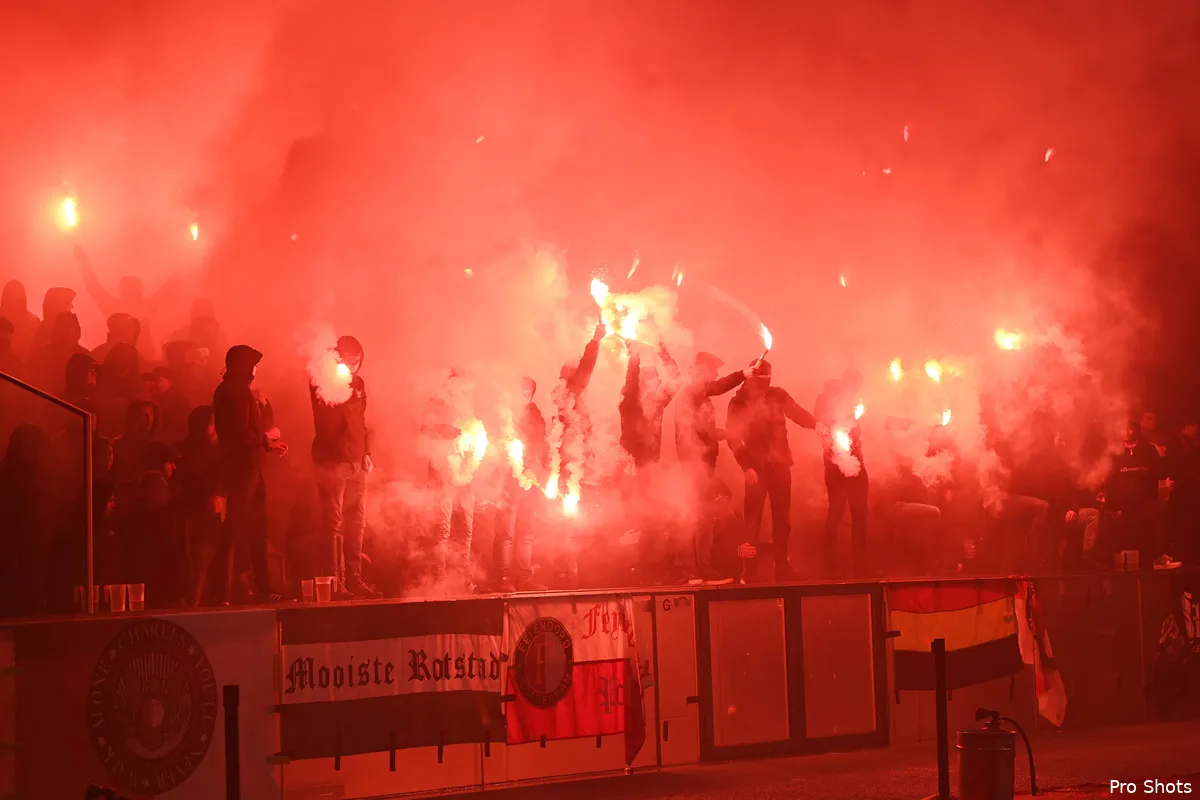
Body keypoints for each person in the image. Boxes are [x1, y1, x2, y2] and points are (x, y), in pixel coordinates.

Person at [726, 359, 817, 582]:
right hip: (755, 468)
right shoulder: (738, 403)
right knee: (753, 521)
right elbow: (733, 438)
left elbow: (797, 413)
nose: (766, 383)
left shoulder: (777, 395)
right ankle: (750, 570)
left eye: (768, 378)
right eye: (762, 378)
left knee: (782, 520)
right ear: (752, 378)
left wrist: (818, 424)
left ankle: (782, 567)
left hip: (781, 466)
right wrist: (746, 467)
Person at [213, 345, 288, 604]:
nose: (256, 371)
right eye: (253, 365)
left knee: (256, 529)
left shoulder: (233, 390)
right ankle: (225, 592)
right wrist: (265, 437)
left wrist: (266, 445)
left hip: (250, 468)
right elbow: (240, 435)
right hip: (243, 471)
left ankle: (260, 590)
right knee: (237, 529)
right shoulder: (235, 391)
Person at [310, 335, 381, 599]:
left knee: (357, 522)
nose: (353, 365)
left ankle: (355, 579)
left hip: (356, 461)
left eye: (357, 360)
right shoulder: (321, 380)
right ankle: (335, 584)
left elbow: (361, 421)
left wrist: (366, 452)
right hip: (333, 460)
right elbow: (326, 421)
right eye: (349, 359)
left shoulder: (359, 384)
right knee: (334, 524)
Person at [422, 369, 480, 591]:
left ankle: (462, 576)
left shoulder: (470, 408)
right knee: (443, 528)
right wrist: (445, 430)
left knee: (465, 528)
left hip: (466, 474)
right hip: (443, 474)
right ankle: (440, 578)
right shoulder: (436, 404)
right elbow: (424, 430)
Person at [494, 377, 547, 592]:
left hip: (531, 479)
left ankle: (525, 578)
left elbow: (541, 445)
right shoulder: (506, 413)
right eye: (522, 388)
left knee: (527, 529)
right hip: (510, 478)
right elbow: (501, 444)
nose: (525, 392)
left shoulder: (536, 415)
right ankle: (504, 578)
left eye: (529, 389)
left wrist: (536, 469)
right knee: (506, 530)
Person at [75, 245, 173, 362]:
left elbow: (166, 290)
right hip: (120, 358)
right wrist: (84, 264)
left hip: (144, 357)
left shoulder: (145, 306)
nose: (135, 293)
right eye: (131, 289)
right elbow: (95, 288)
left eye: (136, 289)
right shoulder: (116, 307)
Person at [814, 368, 869, 575]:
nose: (855, 390)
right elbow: (823, 428)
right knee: (836, 512)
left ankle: (861, 566)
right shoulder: (826, 399)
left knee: (860, 515)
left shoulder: (853, 402)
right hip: (835, 463)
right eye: (853, 386)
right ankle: (828, 566)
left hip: (856, 462)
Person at [175, 406, 228, 606]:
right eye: (212, 423)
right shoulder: (189, 452)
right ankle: (192, 608)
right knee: (198, 566)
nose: (215, 428)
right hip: (197, 518)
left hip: (214, 518)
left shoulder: (220, 450)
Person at [0, 424, 54, 617]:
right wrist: (11, 556)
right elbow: (9, 519)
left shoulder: (28, 476)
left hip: (27, 559)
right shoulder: (10, 477)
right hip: (16, 564)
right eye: (39, 448)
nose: (42, 454)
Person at [619, 341, 681, 468]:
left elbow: (676, 381)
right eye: (652, 377)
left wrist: (664, 354)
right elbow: (631, 381)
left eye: (657, 377)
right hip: (630, 465)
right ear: (642, 382)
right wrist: (634, 356)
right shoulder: (629, 402)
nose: (658, 380)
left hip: (651, 464)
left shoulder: (658, 402)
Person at [31, 311, 88, 394]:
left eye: (69, 327)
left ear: (76, 331)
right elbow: (33, 380)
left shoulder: (84, 357)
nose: (65, 332)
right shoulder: (42, 353)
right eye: (62, 327)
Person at [145, 366, 191, 444]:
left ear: (170, 382)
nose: (153, 384)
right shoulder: (150, 401)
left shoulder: (180, 402)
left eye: (158, 380)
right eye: (151, 380)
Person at [1, 280, 39, 357]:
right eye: (10, 295)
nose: (14, 299)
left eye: (17, 295)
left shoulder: (33, 322)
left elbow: (35, 352)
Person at [30, 287, 75, 351]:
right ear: (58, 305)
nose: (72, 306)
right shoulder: (47, 331)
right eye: (68, 303)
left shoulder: (45, 328)